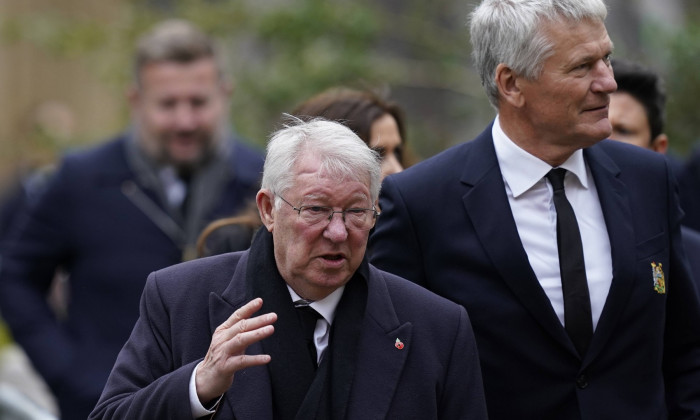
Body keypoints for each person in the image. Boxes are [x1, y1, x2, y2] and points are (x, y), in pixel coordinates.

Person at [369, 0, 700, 418]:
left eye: (607, 58)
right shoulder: (422, 202)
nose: (609, 82)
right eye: (582, 67)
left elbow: (685, 346)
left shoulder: (648, 178)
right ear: (511, 84)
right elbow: (398, 370)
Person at [89, 118, 487, 419]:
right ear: (268, 210)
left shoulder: (438, 327)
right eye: (315, 209)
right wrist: (199, 385)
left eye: (355, 212)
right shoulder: (179, 298)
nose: (337, 231)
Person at [0, 19, 264, 419]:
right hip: (108, 404)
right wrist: (68, 373)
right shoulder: (81, 179)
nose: (185, 121)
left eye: (198, 102)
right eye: (168, 104)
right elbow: (13, 275)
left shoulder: (261, 181)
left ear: (224, 95)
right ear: (135, 101)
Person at [197, 87, 408, 257]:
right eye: (376, 156)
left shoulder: (404, 239)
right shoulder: (235, 245)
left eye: (397, 153)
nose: (397, 171)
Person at [607, 57, 700, 282]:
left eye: (623, 131)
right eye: (597, 127)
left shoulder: (692, 259)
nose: (604, 141)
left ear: (658, 150)